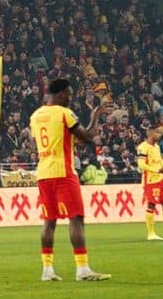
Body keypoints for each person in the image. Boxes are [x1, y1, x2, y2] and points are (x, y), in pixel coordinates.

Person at [29, 78, 107, 282]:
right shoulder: (65, 113)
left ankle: (47, 269)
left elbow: (37, 142)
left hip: (44, 172)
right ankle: (82, 269)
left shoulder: (36, 116)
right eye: (69, 94)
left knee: (49, 221)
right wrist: (95, 116)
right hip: (63, 172)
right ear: (61, 93)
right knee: (76, 218)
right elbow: (89, 136)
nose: (70, 98)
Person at [138, 123, 163, 243]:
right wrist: (157, 170)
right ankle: (151, 233)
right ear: (150, 132)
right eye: (158, 132)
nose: (160, 135)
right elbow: (141, 164)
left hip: (160, 179)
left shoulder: (157, 147)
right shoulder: (143, 147)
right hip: (150, 180)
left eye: (161, 133)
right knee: (151, 205)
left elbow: (160, 162)